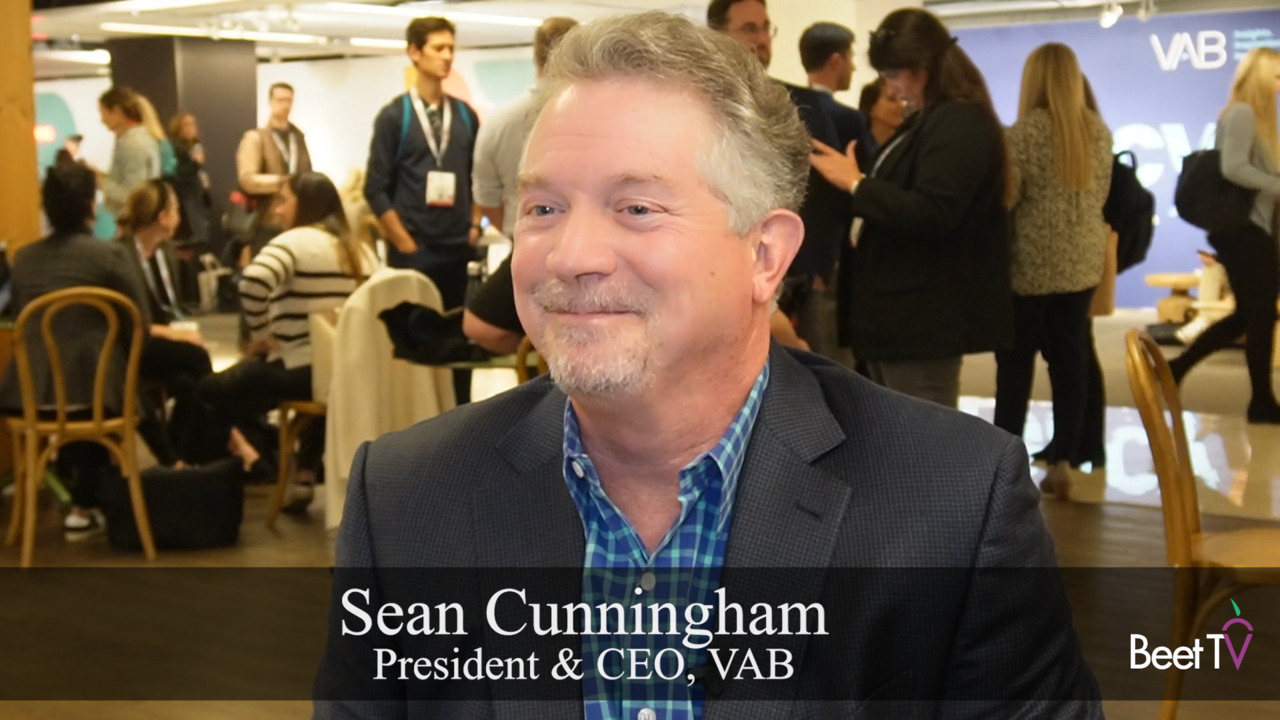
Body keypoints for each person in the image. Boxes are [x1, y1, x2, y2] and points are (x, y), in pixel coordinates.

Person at [314, 12, 1100, 718]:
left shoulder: (953, 505)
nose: (571, 255)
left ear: (765, 256)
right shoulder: (408, 501)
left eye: (636, 208)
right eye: (543, 208)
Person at [809, 8, 1014, 408]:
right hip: (899, 318)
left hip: (922, 319)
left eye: (892, 76)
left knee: (922, 437)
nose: (891, 88)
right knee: (902, 432)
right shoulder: (930, 120)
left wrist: (856, 183)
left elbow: (933, 211)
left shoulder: (958, 120)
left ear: (921, 69)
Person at [197, 172, 376, 512]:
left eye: (283, 200)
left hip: (297, 369)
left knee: (207, 392)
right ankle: (303, 473)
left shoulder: (293, 242)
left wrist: (261, 333)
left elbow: (252, 282)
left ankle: (213, 484)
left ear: (305, 204)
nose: (277, 210)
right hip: (348, 373)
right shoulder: (362, 250)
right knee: (318, 387)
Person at [0, 161, 152, 539]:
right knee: (99, 381)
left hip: (30, 399)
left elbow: (21, 318)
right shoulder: (110, 255)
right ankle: (91, 505)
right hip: (97, 399)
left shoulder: (24, 259)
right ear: (91, 205)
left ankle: (78, 509)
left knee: (74, 381)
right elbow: (139, 324)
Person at [992, 44, 1113, 497]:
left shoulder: (1023, 134)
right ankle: (1063, 459)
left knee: (1015, 363)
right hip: (1082, 263)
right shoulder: (1097, 131)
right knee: (1070, 360)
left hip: (1031, 265)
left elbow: (1009, 198)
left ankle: (1004, 459)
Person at [709, 0, 848, 362]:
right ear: (717, 33)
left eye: (765, 28)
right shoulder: (695, 105)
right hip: (719, 272)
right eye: (749, 28)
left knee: (809, 374)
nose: (760, 39)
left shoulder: (804, 106)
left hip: (799, 277)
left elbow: (828, 195)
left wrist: (820, 268)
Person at [365, 15, 483, 402]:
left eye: (451, 48)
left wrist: (474, 227)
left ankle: (462, 420)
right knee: (414, 349)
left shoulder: (464, 116)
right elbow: (375, 188)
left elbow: (478, 176)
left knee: (459, 348)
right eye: (438, 48)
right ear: (414, 53)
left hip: (458, 249)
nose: (447, 56)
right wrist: (405, 243)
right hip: (414, 251)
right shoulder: (394, 117)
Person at [1167, 47, 1280, 424]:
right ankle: (1261, 402)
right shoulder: (1243, 113)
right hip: (1242, 230)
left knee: (1251, 313)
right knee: (1260, 314)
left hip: (1249, 230)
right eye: (1276, 77)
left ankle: (1179, 368)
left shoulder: (1251, 117)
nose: (1279, 85)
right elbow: (1233, 168)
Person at [472, 16, 579, 238]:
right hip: (585, 239)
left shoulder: (497, 124)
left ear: (535, 56)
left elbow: (487, 199)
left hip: (520, 239)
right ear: (580, 55)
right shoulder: (603, 120)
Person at [236, 82, 313, 260]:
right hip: (268, 220)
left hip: (297, 221)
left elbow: (307, 172)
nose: (285, 105)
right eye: (280, 100)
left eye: (289, 100)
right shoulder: (256, 138)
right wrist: (283, 183)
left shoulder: (298, 137)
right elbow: (247, 179)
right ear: (271, 102)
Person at [799, 21, 872, 169]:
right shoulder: (849, 119)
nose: (854, 67)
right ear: (836, 61)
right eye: (850, 57)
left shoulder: (786, 109)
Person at [98, 86, 161, 217]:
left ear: (116, 111)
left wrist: (101, 183)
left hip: (134, 220)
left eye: (103, 112)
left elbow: (133, 193)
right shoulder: (134, 140)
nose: (102, 120)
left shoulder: (133, 144)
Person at [168, 111, 213, 245]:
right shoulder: (175, 148)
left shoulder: (194, 146)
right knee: (192, 242)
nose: (190, 128)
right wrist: (195, 162)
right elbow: (178, 176)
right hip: (185, 203)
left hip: (196, 201)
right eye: (186, 124)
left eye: (193, 124)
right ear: (178, 127)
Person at [858, 78, 906, 157]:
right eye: (892, 99)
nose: (901, 105)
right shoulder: (857, 148)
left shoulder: (907, 146)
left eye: (901, 99)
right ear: (872, 109)